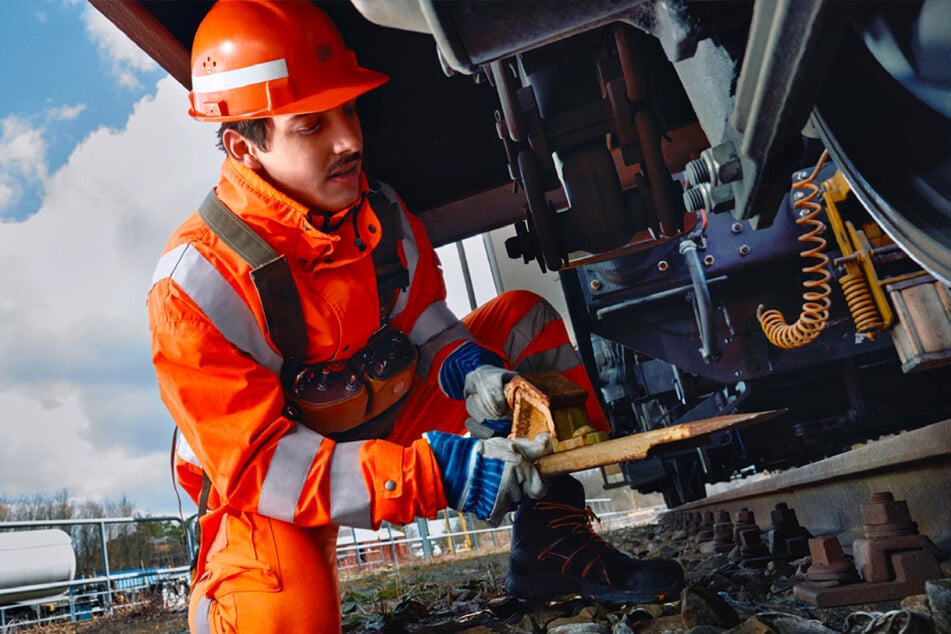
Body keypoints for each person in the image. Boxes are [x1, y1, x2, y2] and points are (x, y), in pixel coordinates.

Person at [147, 2, 684, 631]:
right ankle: (225, 593)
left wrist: (472, 368)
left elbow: (423, 319)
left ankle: (553, 544)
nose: (348, 140)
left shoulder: (381, 211)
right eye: (312, 125)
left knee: (523, 327)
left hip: (383, 413)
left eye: (348, 110)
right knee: (280, 618)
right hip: (272, 480)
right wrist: (437, 473)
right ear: (244, 146)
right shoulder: (196, 288)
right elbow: (266, 465)